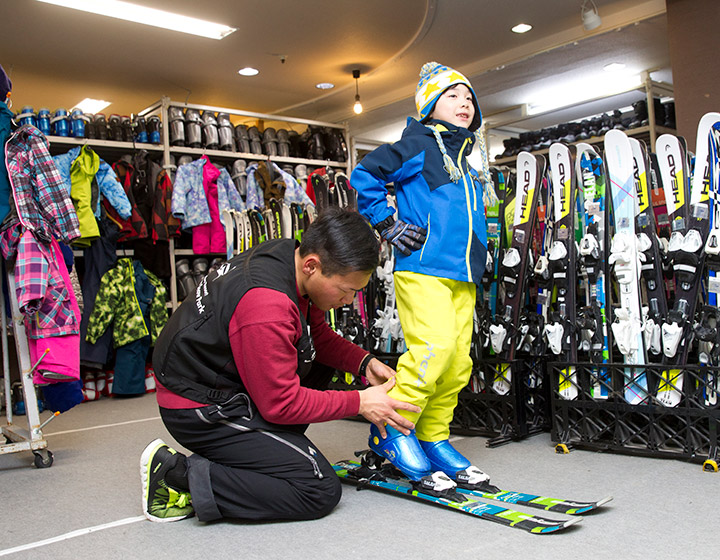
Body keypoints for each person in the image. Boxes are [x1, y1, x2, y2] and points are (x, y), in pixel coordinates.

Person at [141, 207, 420, 523]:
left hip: (219, 380)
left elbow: (319, 337)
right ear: (313, 266)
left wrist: (363, 362)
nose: (348, 301)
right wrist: (360, 402)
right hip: (196, 405)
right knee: (317, 489)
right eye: (346, 291)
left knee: (314, 359)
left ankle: (250, 451)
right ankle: (175, 475)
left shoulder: (290, 256)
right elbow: (280, 404)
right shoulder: (267, 305)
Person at [350, 62, 495, 488]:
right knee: (431, 350)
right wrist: (387, 223)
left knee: (456, 362)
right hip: (423, 268)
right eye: (452, 96)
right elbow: (367, 175)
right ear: (430, 103)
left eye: (468, 97)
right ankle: (392, 430)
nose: (464, 104)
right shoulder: (417, 145)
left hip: (462, 272)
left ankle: (432, 435)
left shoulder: (470, 157)